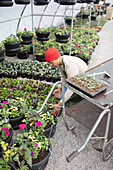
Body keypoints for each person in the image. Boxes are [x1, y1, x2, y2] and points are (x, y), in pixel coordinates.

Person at [45, 48, 88, 115]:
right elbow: (63, 77)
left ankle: (79, 107)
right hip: (73, 79)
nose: (51, 65)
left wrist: (59, 104)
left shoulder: (70, 65)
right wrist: (59, 88)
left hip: (83, 80)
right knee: (61, 96)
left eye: (51, 62)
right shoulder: (60, 62)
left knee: (67, 99)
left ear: (57, 58)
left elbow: (72, 88)